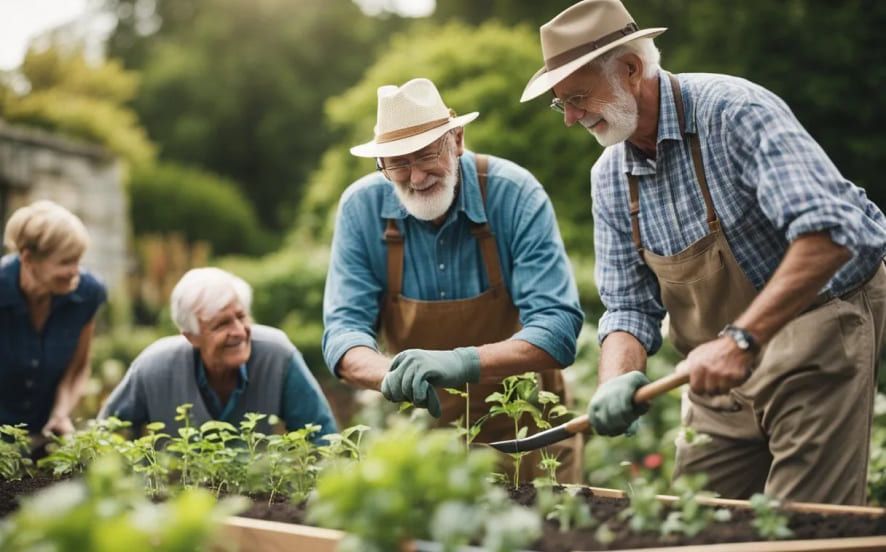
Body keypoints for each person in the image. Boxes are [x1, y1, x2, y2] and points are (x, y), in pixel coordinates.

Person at [521, 0, 886, 504]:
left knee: (802, 520)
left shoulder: (733, 112)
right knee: (698, 516)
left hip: (817, 320)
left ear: (629, 70)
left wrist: (739, 340)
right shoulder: (609, 177)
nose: (572, 119)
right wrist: (614, 381)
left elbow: (831, 235)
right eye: (563, 104)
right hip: (715, 361)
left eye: (578, 97)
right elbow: (628, 306)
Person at [322, 77, 585, 481]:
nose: (415, 177)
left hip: (529, 437)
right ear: (381, 165)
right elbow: (343, 334)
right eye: (397, 162)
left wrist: (459, 361)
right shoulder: (361, 208)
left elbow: (558, 330)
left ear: (457, 139)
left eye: (426, 154)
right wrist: (390, 375)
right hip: (428, 445)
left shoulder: (513, 194)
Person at [100, 267, 337, 442]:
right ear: (191, 337)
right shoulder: (154, 367)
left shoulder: (277, 356)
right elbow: (106, 436)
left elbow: (322, 437)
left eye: (241, 316)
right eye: (221, 324)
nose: (238, 331)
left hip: (256, 502)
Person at [0, 200, 107, 437]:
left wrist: (60, 414)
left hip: (44, 437)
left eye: (78, 260)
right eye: (66, 262)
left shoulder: (87, 293)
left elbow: (78, 368)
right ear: (28, 259)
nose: (75, 271)